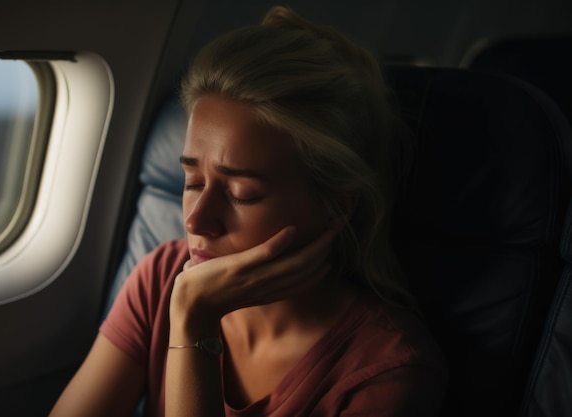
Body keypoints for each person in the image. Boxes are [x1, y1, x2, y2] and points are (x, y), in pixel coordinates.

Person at [49, 6, 447, 417]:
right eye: (192, 183)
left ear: (335, 209)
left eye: (241, 194)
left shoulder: (386, 372)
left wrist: (193, 325)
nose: (195, 221)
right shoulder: (162, 277)